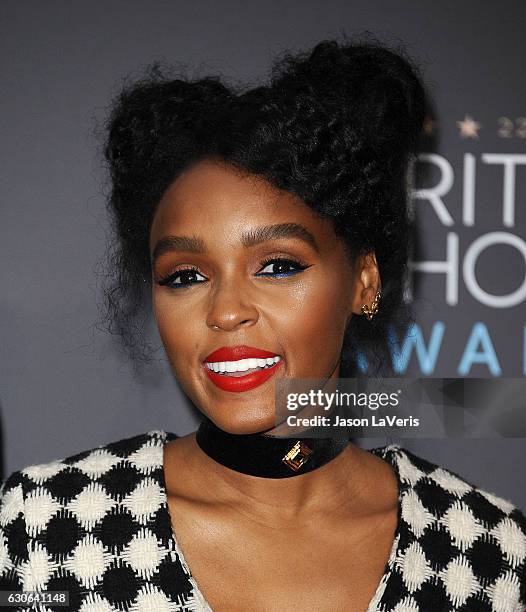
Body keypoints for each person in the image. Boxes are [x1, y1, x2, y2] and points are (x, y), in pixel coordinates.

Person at [1, 37, 525, 612]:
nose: (226, 311)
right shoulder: (45, 527)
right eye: (184, 276)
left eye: (278, 266)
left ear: (364, 283)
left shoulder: (487, 553)